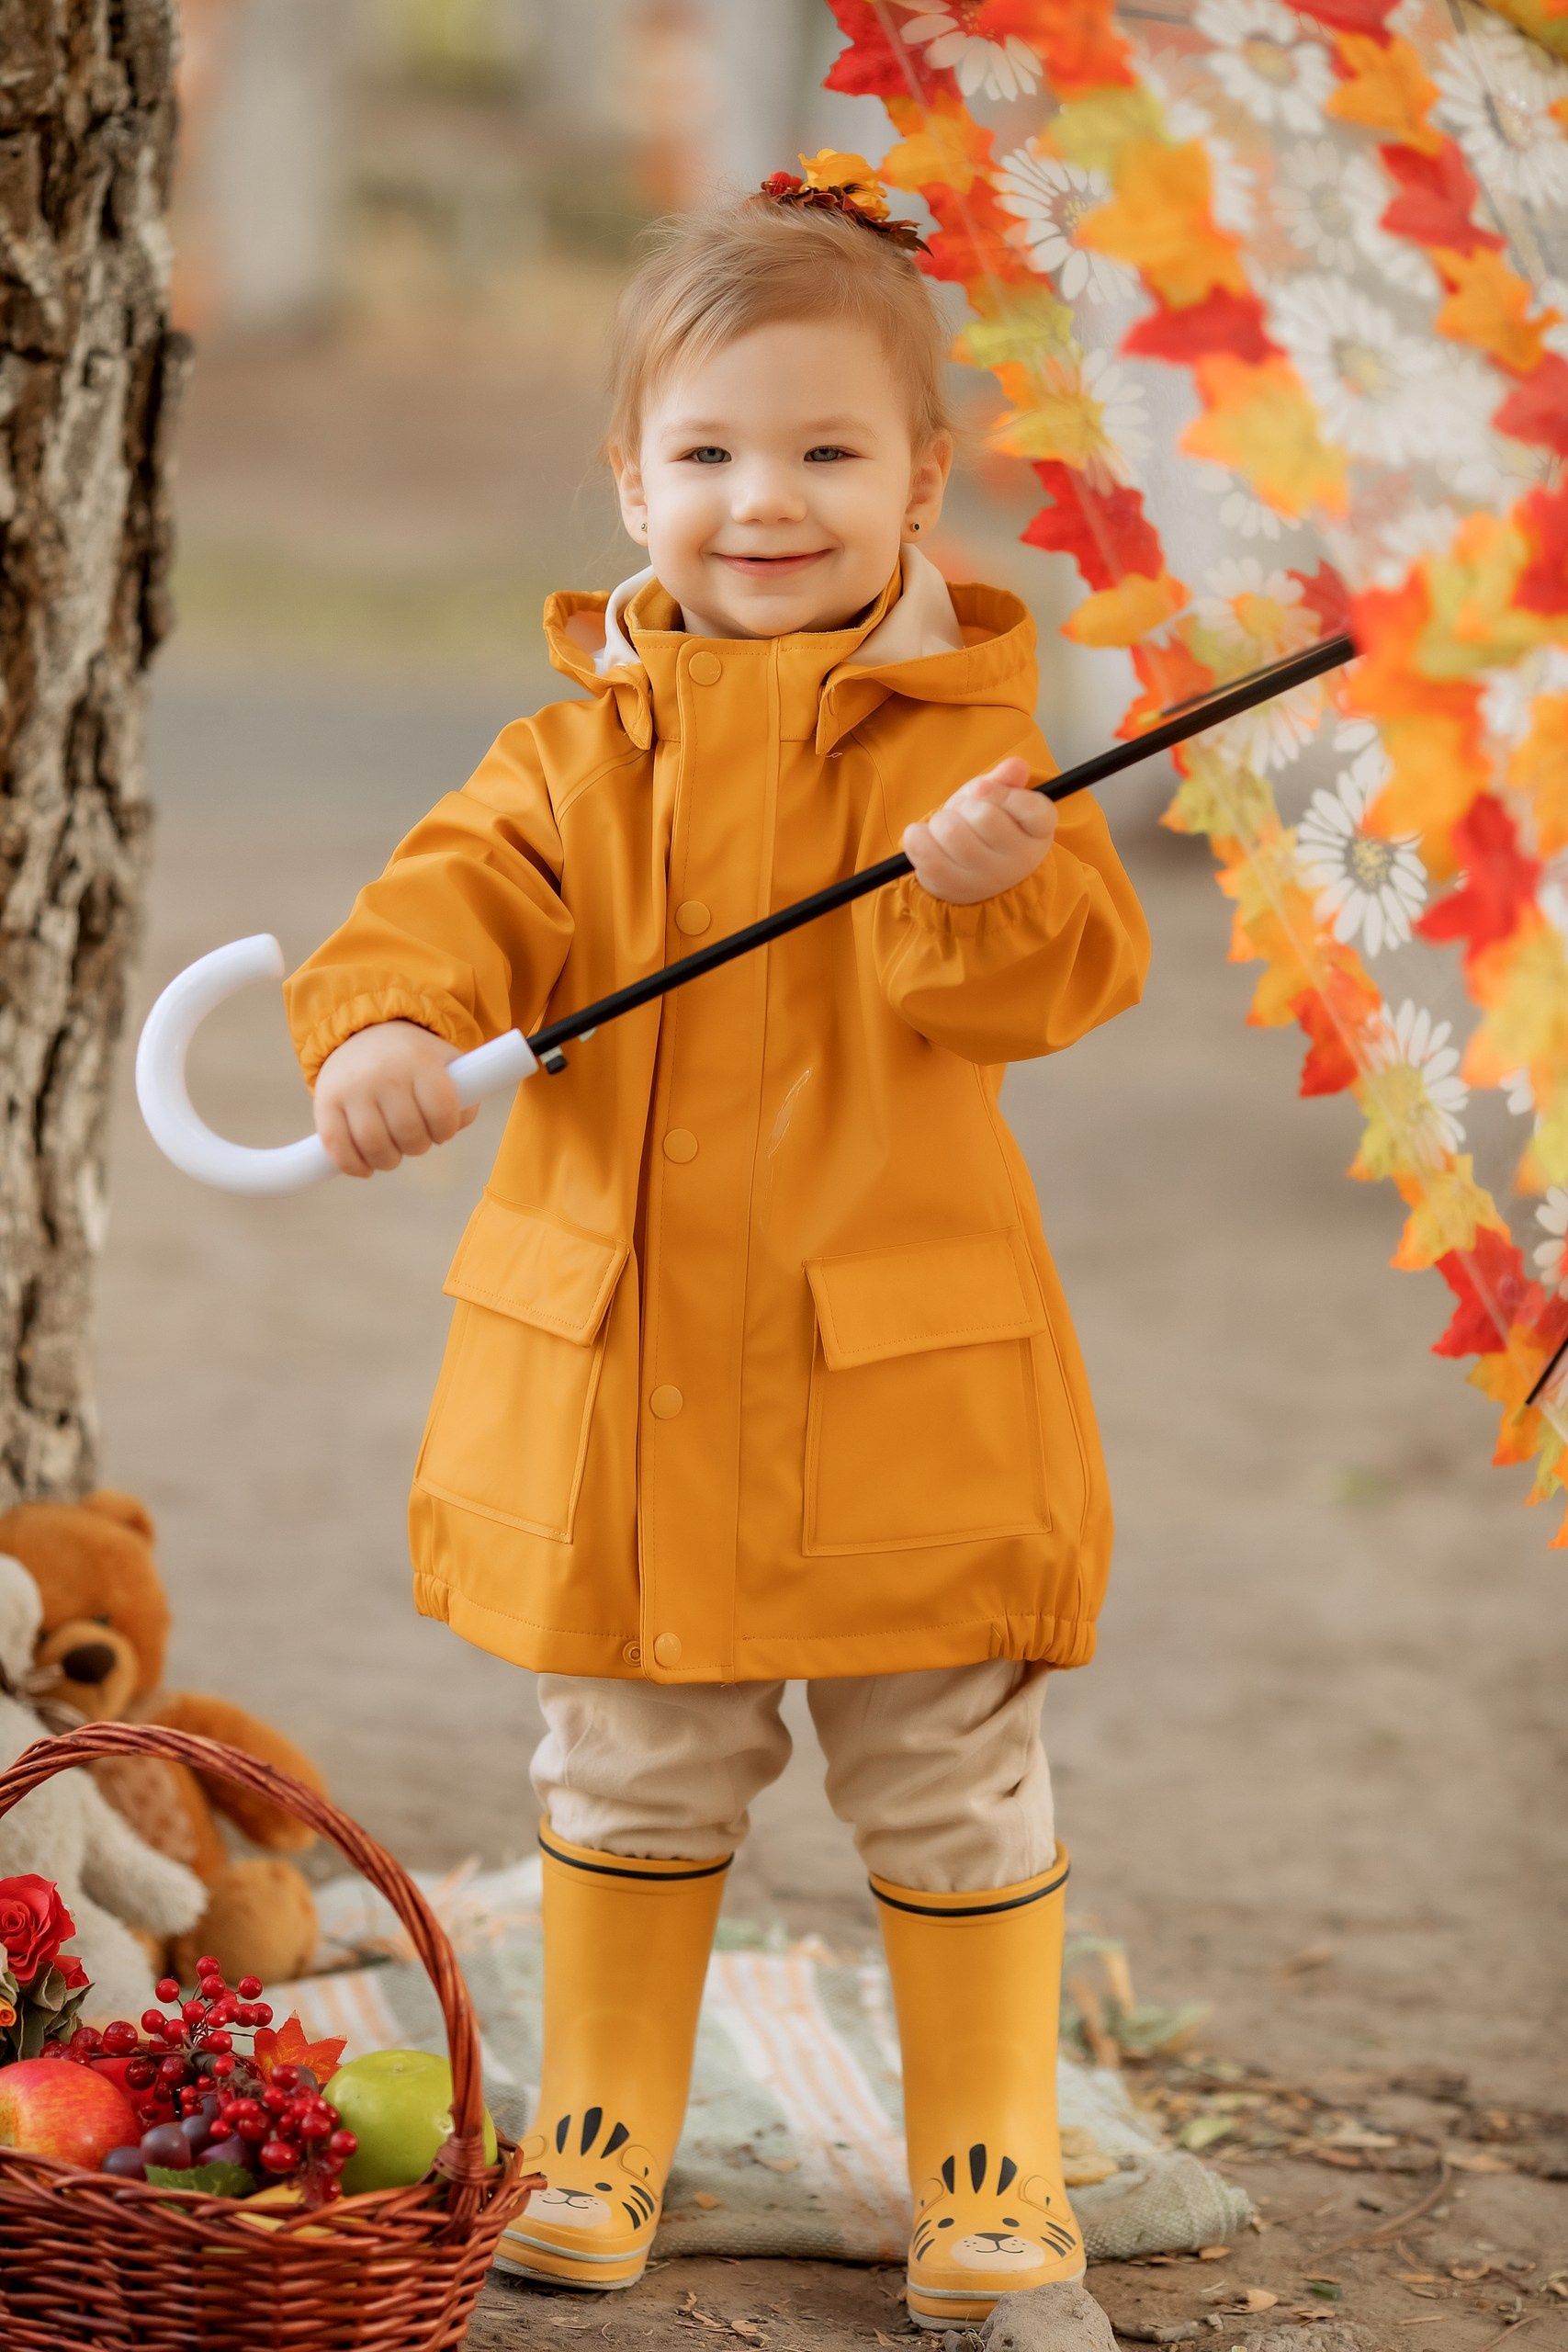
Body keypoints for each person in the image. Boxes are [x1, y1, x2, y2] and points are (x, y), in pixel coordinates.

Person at [284, 153, 1150, 2329]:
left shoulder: (964, 765)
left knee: (944, 1764)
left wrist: (986, 875)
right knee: (630, 1755)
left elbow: (1042, 984)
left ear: (925, 477)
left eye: (829, 451)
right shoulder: (572, 759)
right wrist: (385, 1019)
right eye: (710, 452)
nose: (765, 501)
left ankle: (983, 2157)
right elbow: (443, 903)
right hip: (630, 1392)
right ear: (626, 477)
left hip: (892, 1395)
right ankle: (601, 2121)